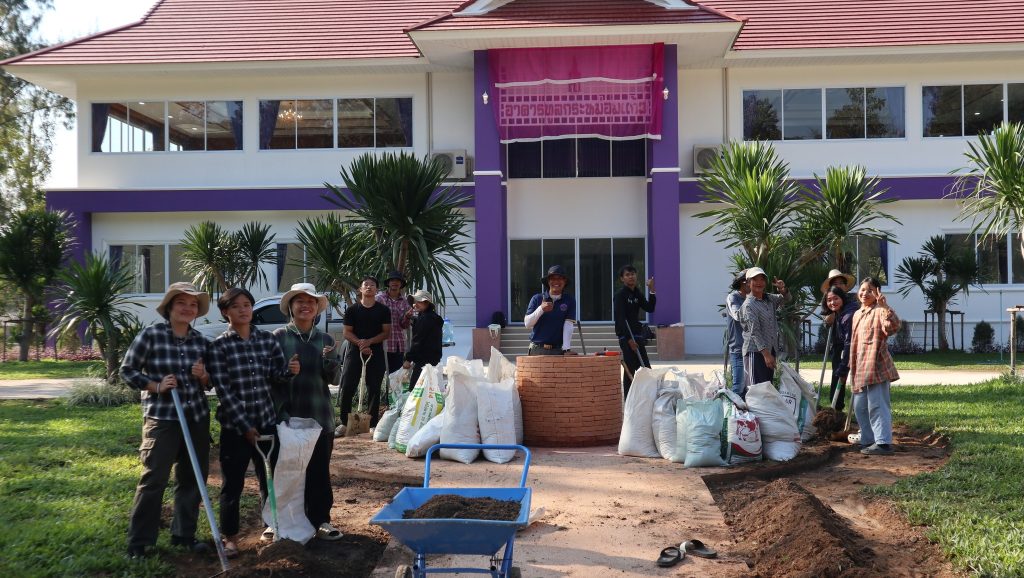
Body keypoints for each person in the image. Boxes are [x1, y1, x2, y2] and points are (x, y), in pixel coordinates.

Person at [120, 282, 213, 559]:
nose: (188, 308)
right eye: (181, 302)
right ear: (169, 307)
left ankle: (184, 535)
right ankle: (139, 542)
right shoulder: (151, 335)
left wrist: (203, 376)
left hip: (196, 417)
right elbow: (127, 370)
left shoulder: (201, 341)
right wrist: (156, 385)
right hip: (163, 418)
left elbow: (211, 382)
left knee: (192, 478)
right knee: (154, 479)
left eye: (193, 304)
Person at [207, 287, 298, 557]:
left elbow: (276, 375)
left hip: (266, 423)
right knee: (232, 484)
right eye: (236, 306)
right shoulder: (219, 346)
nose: (243, 310)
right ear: (226, 312)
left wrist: (290, 371)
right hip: (236, 428)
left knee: (268, 480)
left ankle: (271, 527)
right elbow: (224, 392)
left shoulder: (266, 340)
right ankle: (231, 538)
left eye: (247, 305)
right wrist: (245, 426)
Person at [272, 283, 343, 541]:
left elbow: (335, 379)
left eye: (311, 302)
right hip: (287, 416)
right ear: (290, 307)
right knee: (285, 472)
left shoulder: (326, 340)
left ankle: (321, 521)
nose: (305, 305)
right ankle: (277, 523)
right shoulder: (279, 337)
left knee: (318, 472)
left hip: (319, 415)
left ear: (317, 309)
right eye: (299, 301)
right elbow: (269, 376)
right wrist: (285, 372)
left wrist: (330, 361)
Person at [849, 277, 901, 456]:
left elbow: (893, 327)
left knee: (877, 406)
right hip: (860, 368)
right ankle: (868, 440)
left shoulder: (880, 311)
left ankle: (883, 443)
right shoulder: (857, 314)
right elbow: (855, 343)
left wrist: (885, 307)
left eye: (870, 290)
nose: (865, 293)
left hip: (877, 367)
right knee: (860, 407)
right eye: (862, 289)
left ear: (878, 293)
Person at [338, 276, 391, 430]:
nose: (369, 287)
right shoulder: (352, 310)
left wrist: (370, 342)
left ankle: (372, 424)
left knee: (374, 387)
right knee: (348, 385)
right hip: (355, 350)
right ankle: (344, 423)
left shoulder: (383, 310)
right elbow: (347, 332)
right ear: (360, 289)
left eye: (372, 285)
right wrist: (360, 343)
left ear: (377, 290)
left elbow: (386, 332)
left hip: (376, 351)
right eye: (365, 285)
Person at [740, 267, 789, 387]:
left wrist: (782, 289)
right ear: (748, 283)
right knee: (755, 390)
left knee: (767, 388)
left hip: (770, 350)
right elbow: (754, 331)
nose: (759, 282)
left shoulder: (769, 299)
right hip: (755, 352)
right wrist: (766, 355)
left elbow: (787, 299)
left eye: (762, 279)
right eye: (755, 279)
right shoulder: (749, 305)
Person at [613, 265, 656, 400]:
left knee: (645, 367)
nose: (631, 277)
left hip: (637, 335)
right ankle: (628, 399)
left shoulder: (637, 293)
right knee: (630, 368)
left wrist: (652, 290)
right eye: (627, 275)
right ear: (622, 279)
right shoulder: (620, 295)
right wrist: (628, 339)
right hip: (627, 337)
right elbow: (620, 319)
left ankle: (646, 398)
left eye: (633, 274)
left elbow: (650, 308)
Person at [524, 265, 577, 355]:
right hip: (537, 349)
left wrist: (566, 349)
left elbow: (568, 325)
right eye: (553, 278)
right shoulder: (537, 298)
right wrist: (541, 309)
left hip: (558, 350)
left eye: (560, 278)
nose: (556, 281)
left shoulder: (569, 300)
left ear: (565, 281)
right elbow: (527, 324)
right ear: (548, 281)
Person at [403, 289, 444, 390]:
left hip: (423, 361)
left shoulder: (425, 319)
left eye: (419, 302)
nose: (415, 304)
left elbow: (418, 341)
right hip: (433, 359)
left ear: (427, 303)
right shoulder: (432, 317)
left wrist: (408, 359)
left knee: (415, 390)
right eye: (415, 302)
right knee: (429, 390)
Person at [823, 286, 856, 412]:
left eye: (836, 298)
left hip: (857, 350)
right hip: (841, 347)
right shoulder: (838, 312)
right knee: (838, 376)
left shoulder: (848, 315)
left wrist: (843, 368)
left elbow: (849, 343)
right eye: (829, 300)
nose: (832, 302)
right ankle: (837, 410)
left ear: (842, 297)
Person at [376, 270, 412, 374]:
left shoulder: (405, 302)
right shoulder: (379, 299)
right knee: (379, 375)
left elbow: (404, 325)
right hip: (382, 344)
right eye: (392, 280)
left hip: (398, 344)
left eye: (398, 281)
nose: (395, 282)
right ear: (388, 283)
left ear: (401, 284)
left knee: (395, 376)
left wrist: (407, 317)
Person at [725, 270, 748, 397]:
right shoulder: (733, 297)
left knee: (753, 388)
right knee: (738, 388)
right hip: (738, 349)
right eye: (751, 281)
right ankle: (735, 409)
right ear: (743, 282)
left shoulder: (757, 298)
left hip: (755, 350)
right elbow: (738, 315)